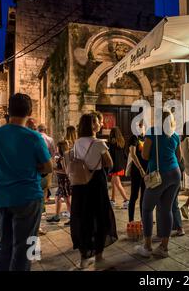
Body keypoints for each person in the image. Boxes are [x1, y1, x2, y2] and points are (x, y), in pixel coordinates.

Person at [0, 93, 53, 271]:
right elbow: (48, 166)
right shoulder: (33, 137)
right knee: (25, 247)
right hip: (27, 196)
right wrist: (34, 168)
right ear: (30, 111)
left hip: (2, 197)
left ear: (9, 111)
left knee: (5, 245)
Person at [69, 113, 118, 270]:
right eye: (97, 122)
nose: (100, 124)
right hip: (96, 183)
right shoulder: (98, 143)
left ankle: (84, 258)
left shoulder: (76, 143)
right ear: (92, 125)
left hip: (80, 185)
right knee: (100, 216)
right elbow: (110, 163)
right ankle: (98, 256)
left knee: (83, 218)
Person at [135, 110, 181, 258]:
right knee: (166, 209)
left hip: (159, 176)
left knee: (147, 208)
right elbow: (178, 156)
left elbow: (145, 155)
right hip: (175, 173)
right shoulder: (174, 135)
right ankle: (163, 247)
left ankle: (147, 246)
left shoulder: (152, 132)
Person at [46, 141, 72, 225]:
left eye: (57, 147)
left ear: (60, 148)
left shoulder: (63, 158)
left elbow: (65, 171)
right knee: (57, 198)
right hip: (61, 182)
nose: (56, 149)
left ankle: (72, 218)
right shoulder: (61, 157)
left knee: (67, 200)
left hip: (64, 181)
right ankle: (57, 216)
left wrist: (54, 169)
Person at [127, 120, 148, 222]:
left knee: (144, 197)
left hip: (146, 170)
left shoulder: (146, 138)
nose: (140, 127)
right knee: (134, 196)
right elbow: (133, 154)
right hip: (137, 171)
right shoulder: (134, 138)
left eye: (141, 125)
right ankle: (131, 220)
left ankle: (143, 218)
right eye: (138, 125)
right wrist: (140, 169)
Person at [108, 127, 129, 209]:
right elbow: (125, 155)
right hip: (120, 165)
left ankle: (127, 200)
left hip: (114, 166)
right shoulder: (121, 142)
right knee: (113, 183)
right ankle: (112, 200)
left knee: (117, 183)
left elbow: (111, 155)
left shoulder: (111, 143)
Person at [37, 124, 56, 203]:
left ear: (38, 130)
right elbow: (52, 153)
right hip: (46, 164)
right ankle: (43, 205)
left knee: (37, 185)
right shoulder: (50, 139)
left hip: (36, 164)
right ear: (45, 130)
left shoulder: (35, 138)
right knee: (45, 187)